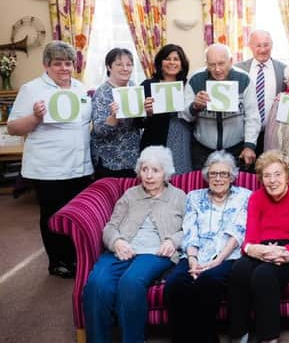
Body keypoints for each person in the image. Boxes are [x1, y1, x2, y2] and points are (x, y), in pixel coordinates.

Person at [82, 146, 186, 343]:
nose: (148, 176)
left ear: (165, 173)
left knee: (131, 282)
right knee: (96, 283)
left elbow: (190, 228)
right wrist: (117, 242)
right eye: (144, 169)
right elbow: (110, 227)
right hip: (122, 248)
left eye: (155, 170)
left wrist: (174, 240)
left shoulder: (179, 196)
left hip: (156, 252)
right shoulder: (130, 195)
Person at [7, 40, 93, 278]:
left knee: (77, 214)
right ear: (46, 65)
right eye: (58, 64)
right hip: (48, 168)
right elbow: (13, 128)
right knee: (53, 214)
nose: (64, 68)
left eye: (68, 63)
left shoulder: (79, 87)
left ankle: (76, 257)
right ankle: (57, 261)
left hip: (80, 166)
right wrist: (35, 117)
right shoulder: (31, 89)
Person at [164, 150, 250, 343]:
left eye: (224, 174)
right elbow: (190, 230)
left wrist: (217, 261)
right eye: (213, 174)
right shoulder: (194, 197)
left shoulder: (245, 196)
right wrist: (192, 260)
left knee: (207, 282)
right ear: (206, 176)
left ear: (232, 177)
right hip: (195, 255)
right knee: (175, 285)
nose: (218, 178)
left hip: (227, 257)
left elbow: (238, 233)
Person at [227, 150, 289, 343]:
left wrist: (285, 254)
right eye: (267, 176)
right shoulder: (256, 198)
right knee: (239, 271)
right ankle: (239, 333)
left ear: (288, 176)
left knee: (264, 275)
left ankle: (269, 339)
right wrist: (255, 250)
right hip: (261, 247)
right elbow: (250, 237)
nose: (272, 181)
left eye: (278, 174)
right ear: (261, 179)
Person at [181, 43, 260, 170]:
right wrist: (194, 106)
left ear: (231, 61)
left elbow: (252, 116)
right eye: (212, 65)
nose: (217, 69)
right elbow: (184, 116)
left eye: (221, 63)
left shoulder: (244, 79)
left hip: (236, 149)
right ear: (206, 63)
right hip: (202, 150)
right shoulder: (195, 79)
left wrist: (249, 146)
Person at [140, 43, 193, 174]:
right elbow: (137, 122)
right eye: (167, 58)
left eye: (176, 59)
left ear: (182, 64)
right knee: (154, 177)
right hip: (154, 140)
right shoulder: (148, 85)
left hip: (182, 140)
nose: (172, 62)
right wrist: (147, 113)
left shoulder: (188, 85)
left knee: (181, 178)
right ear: (160, 62)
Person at [235, 30, 287, 156]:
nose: (263, 50)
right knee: (246, 174)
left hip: (273, 135)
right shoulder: (238, 70)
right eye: (258, 45)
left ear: (272, 46)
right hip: (244, 135)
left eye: (266, 45)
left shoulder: (284, 69)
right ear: (250, 46)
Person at [91, 48, 140, 178]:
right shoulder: (102, 93)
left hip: (133, 159)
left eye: (129, 64)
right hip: (111, 162)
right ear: (109, 67)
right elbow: (99, 131)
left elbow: (139, 122)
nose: (125, 68)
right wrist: (114, 117)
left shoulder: (134, 87)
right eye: (119, 64)